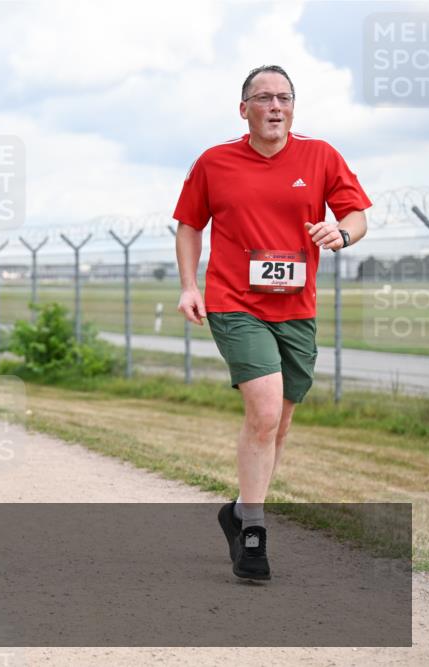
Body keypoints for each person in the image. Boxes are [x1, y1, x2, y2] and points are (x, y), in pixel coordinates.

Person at [173, 65, 370, 581]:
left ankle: (239, 510)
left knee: (279, 423)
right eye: (263, 98)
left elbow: (356, 215)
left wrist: (341, 233)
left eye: (284, 97)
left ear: (293, 107)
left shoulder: (321, 155)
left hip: (297, 309)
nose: (275, 106)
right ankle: (255, 533)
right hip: (235, 302)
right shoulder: (214, 162)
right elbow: (190, 224)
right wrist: (190, 286)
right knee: (262, 412)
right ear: (244, 109)